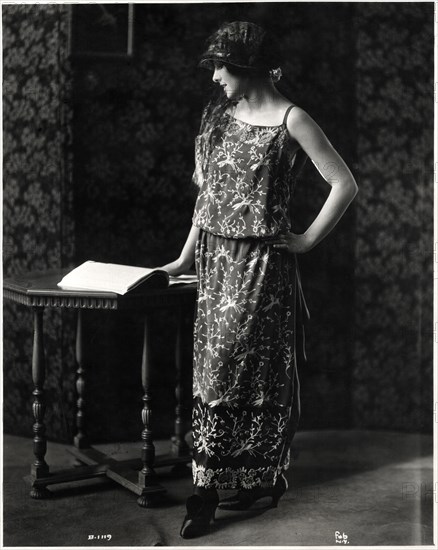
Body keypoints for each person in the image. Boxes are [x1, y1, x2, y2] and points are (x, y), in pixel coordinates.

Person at [161, 21, 358, 539]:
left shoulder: (293, 119)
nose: (215, 79)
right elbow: (208, 201)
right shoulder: (218, 117)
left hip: (261, 270)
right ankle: (241, 477)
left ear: (245, 65)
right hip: (215, 265)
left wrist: (308, 240)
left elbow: (344, 183)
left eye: (220, 68)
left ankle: (209, 492)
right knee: (212, 374)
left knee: (241, 373)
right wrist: (184, 261)